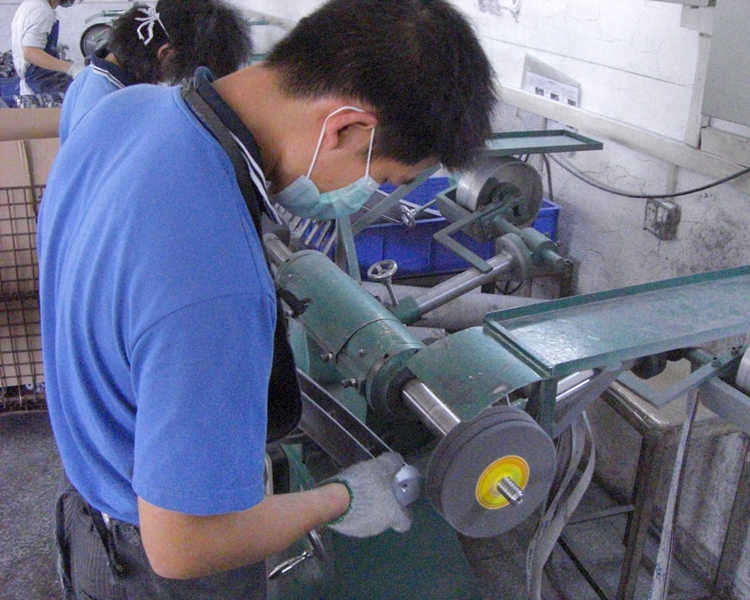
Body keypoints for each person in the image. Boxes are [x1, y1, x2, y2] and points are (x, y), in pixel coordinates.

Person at [37, 0, 496, 598]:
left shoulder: (127, 109)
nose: (366, 197)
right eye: (383, 179)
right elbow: (183, 545)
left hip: (86, 512)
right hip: (151, 570)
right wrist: (342, 497)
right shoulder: (215, 279)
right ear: (346, 129)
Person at [59, 0, 252, 142]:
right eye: (185, 72)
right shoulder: (111, 107)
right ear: (165, 53)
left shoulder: (91, 75)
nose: (177, 78)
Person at [10, 0, 81, 97]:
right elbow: (31, 53)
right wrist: (72, 68)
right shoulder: (42, 11)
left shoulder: (30, 4)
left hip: (33, 79)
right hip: (39, 82)